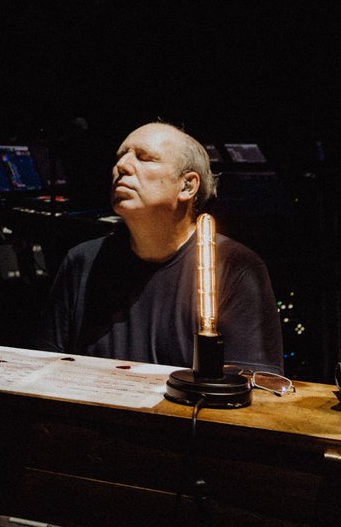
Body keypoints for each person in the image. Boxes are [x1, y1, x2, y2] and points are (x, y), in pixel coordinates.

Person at [36, 121, 283, 375]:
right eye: (121, 157)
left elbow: (256, 385)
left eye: (145, 158)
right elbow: (45, 370)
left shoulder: (236, 268)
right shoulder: (81, 261)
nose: (122, 166)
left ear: (187, 185)